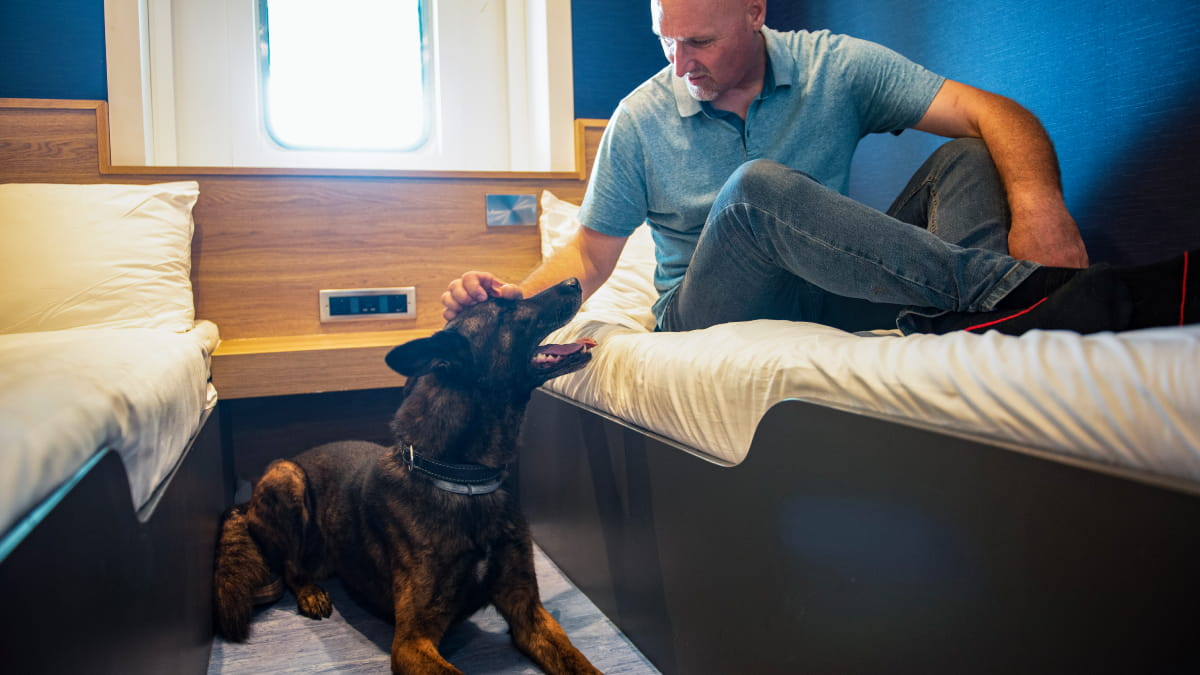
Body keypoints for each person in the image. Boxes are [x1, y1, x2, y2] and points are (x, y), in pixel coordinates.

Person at [443, 0, 1195, 336]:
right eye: (664, 41)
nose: (679, 64)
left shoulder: (835, 67)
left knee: (970, 153)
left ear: (755, 11)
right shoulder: (642, 118)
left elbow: (996, 113)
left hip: (826, 291)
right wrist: (512, 302)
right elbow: (590, 252)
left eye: (698, 41)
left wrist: (1040, 203)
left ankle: (985, 317)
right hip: (706, 309)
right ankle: (1032, 296)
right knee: (756, 190)